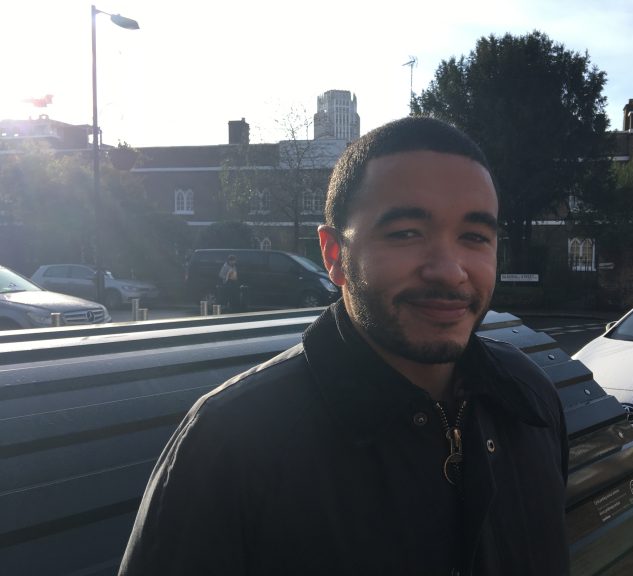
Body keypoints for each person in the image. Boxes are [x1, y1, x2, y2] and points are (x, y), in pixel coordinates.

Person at [119, 116, 570, 575]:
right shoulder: (230, 443)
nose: (449, 270)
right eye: (406, 233)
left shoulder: (530, 400)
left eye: (475, 237)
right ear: (334, 255)